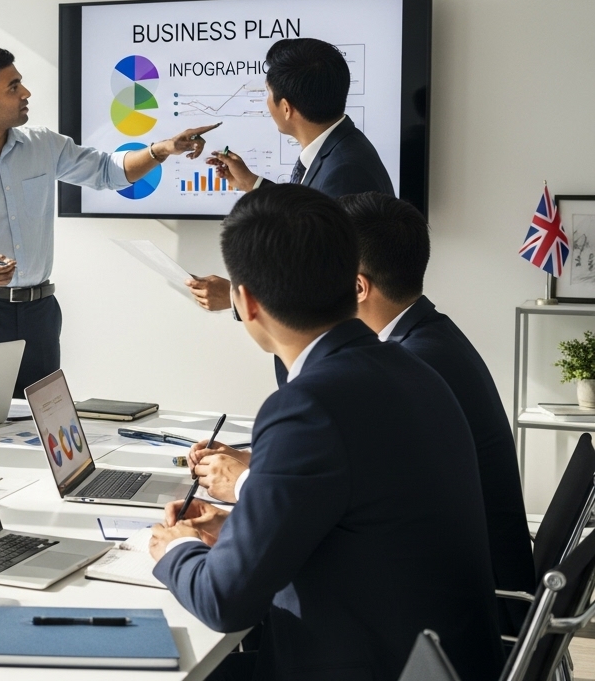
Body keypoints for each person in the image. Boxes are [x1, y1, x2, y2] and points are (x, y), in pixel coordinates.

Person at [149, 184, 501, 681]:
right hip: (429, 655)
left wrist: (174, 547)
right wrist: (240, 533)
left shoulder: (306, 406)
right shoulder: (409, 365)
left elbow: (223, 601)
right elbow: (365, 520)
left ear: (245, 301)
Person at [0, 47, 218, 395]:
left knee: (44, 427)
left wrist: (161, 149)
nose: (26, 93)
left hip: (40, 315)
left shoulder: (43, 145)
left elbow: (106, 171)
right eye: (13, 87)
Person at [188, 38, 395, 312]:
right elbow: (309, 216)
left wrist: (236, 298)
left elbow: (326, 285)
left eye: (267, 92)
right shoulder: (339, 147)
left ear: (286, 108)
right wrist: (252, 184)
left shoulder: (346, 172)